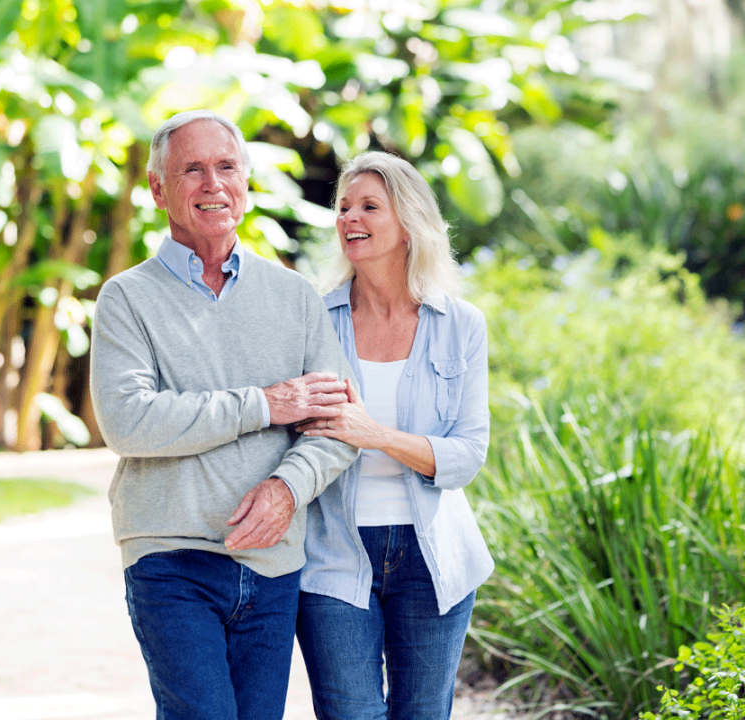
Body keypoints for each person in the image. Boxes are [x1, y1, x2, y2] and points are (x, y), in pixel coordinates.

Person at [88, 109, 359, 720]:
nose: (213, 184)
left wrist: (287, 490)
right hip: (170, 557)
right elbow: (130, 421)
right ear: (159, 190)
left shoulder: (293, 296)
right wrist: (267, 403)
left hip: (273, 562)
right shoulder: (127, 299)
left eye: (226, 167)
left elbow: (335, 425)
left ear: (246, 180)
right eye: (192, 170)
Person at [294, 151, 494, 720]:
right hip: (333, 550)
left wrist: (375, 434)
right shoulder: (314, 317)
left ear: (407, 223)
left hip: (432, 557)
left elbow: (466, 455)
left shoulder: (459, 324)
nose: (349, 218)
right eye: (343, 207)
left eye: (368, 207)